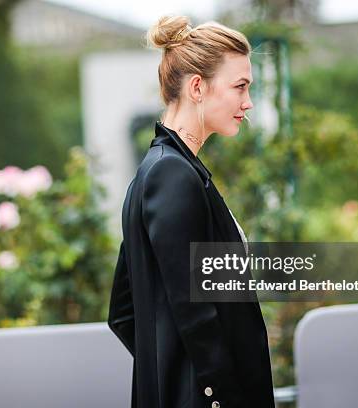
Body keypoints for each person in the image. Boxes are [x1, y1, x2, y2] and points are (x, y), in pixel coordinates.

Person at [108, 15, 275, 408]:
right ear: (198, 87)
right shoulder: (171, 174)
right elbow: (194, 311)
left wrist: (166, 373)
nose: (248, 102)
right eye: (240, 87)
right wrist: (212, 392)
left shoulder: (162, 170)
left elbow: (123, 311)